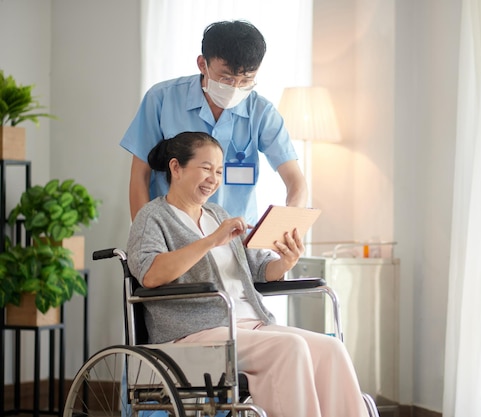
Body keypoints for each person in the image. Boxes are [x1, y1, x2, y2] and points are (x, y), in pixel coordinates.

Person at [126, 131, 368, 417]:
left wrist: (285, 261)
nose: (213, 179)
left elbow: (259, 267)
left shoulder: (217, 214)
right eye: (205, 168)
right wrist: (211, 241)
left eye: (218, 171)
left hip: (250, 325)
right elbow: (150, 274)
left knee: (330, 349)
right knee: (290, 348)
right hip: (194, 332)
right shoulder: (153, 217)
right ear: (176, 168)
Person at [120, 20, 307, 224]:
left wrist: (289, 223)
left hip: (237, 240)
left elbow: (295, 181)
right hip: (173, 235)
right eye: (226, 78)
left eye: (246, 80)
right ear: (202, 64)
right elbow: (140, 176)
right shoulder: (162, 99)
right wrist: (144, 236)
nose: (235, 88)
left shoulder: (261, 112)